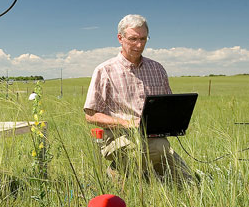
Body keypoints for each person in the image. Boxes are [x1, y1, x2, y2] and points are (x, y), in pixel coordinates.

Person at [83, 14, 194, 182]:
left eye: (143, 39)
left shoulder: (157, 69)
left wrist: (175, 122)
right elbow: (90, 115)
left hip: (152, 137)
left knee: (188, 182)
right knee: (160, 147)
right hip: (117, 137)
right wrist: (127, 123)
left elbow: (167, 106)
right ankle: (118, 172)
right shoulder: (104, 70)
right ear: (120, 38)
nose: (139, 44)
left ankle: (130, 173)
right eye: (133, 39)